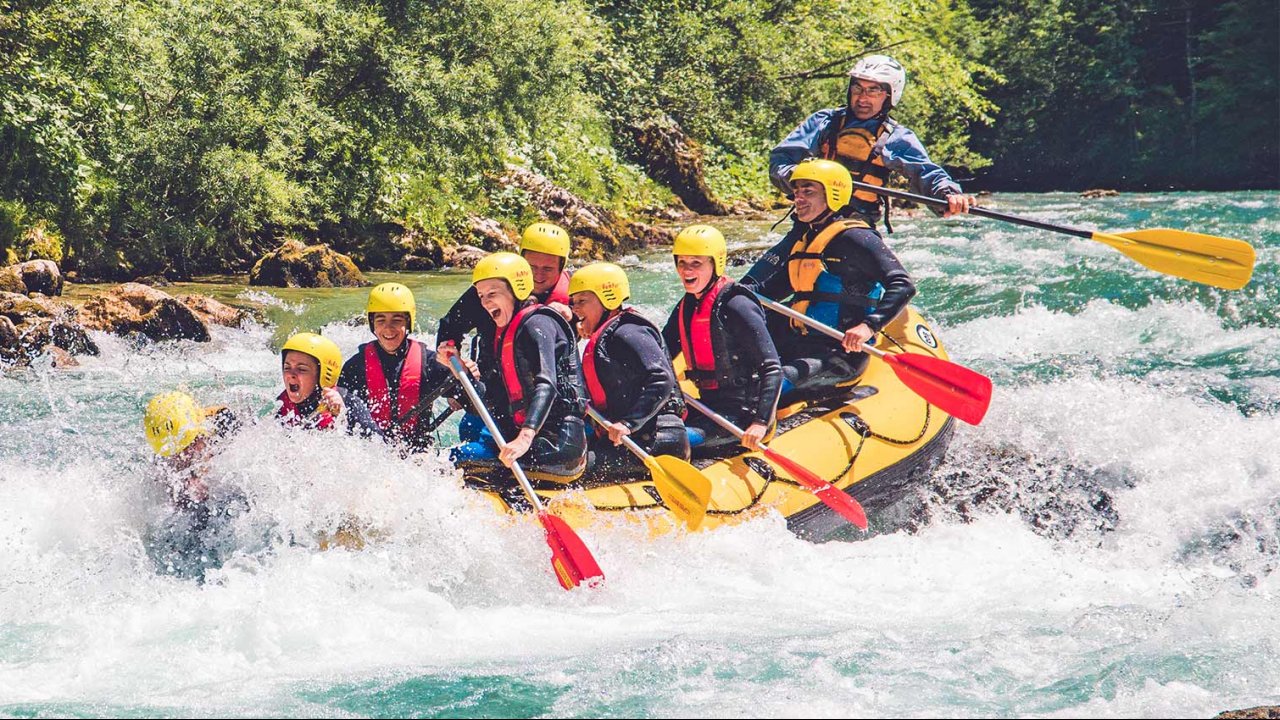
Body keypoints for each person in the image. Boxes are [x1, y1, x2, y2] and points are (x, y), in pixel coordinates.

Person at [744, 158, 917, 404]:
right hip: (799, 343)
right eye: (796, 192)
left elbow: (903, 284)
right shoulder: (805, 240)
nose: (798, 199)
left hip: (840, 355)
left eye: (808, 191)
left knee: (771, 383)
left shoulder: (856, 237)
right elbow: (770, 292)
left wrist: (868, 326)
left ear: (833, 195)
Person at [768, 54, 974, 230]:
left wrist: (948, 194)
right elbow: (782, 160)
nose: (862, 98)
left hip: (857, 227)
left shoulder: (895, 138)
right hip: (810, 222)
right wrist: (797, 177)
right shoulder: (825, 122)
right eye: (858, 89)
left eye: (873, 91)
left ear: (889, 96)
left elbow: (926, 172)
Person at [450, 252, 588, 483]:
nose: (484, 303)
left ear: (517, 290)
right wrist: (460, 374)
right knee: (469, 437)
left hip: (558, 446)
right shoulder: (507, 331)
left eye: (492, 294)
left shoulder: (538, 323)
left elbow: (548, 384)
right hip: (534, 439)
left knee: (457, 458)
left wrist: (525, 436)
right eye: (482, 295)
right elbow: (494, 400)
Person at [662, 225, 783, 457]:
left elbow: (772, 368)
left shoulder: (737, 304)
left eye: (696, 263)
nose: (686, 270)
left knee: (673, 443)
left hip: (744, 413)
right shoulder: (687, 306)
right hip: (709, 404)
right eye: (681, 262)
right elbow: (661, 354)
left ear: (715, 264)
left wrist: (760, 422)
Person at [569, 262, 689, 479]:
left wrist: (628, 423)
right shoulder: (608, 335)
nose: (575, 308)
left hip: (657, 439)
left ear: (608, 299)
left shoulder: (629, 332)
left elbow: (662, 378)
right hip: (631, 438)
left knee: (574, 468)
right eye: (573, 302)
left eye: (582, 301)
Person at [337, 282, 459, 452]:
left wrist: (464, 379)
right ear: (372, 324)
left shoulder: (430, 363)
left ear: (408, 322)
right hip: (369, 454)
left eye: (397, 319)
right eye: (381, 320)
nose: (388, 328)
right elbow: (348, 413)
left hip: (417, 455)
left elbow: (477, 400)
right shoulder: (355, 367)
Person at [141, 390, 249, 581]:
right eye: (174, 455)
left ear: (201, 434)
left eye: (189, 448)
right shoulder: (163, 452)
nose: (183, 458)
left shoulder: (228, 431)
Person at [436, 221, 574, 368]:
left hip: (551, 377)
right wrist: (456, 362)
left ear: (561, 267)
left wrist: (573, 316)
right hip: (493, 375)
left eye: (547, 269)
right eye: (532, 267)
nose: (538, 276)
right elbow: (449, 327)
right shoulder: (490, 289)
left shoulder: (577, 296)